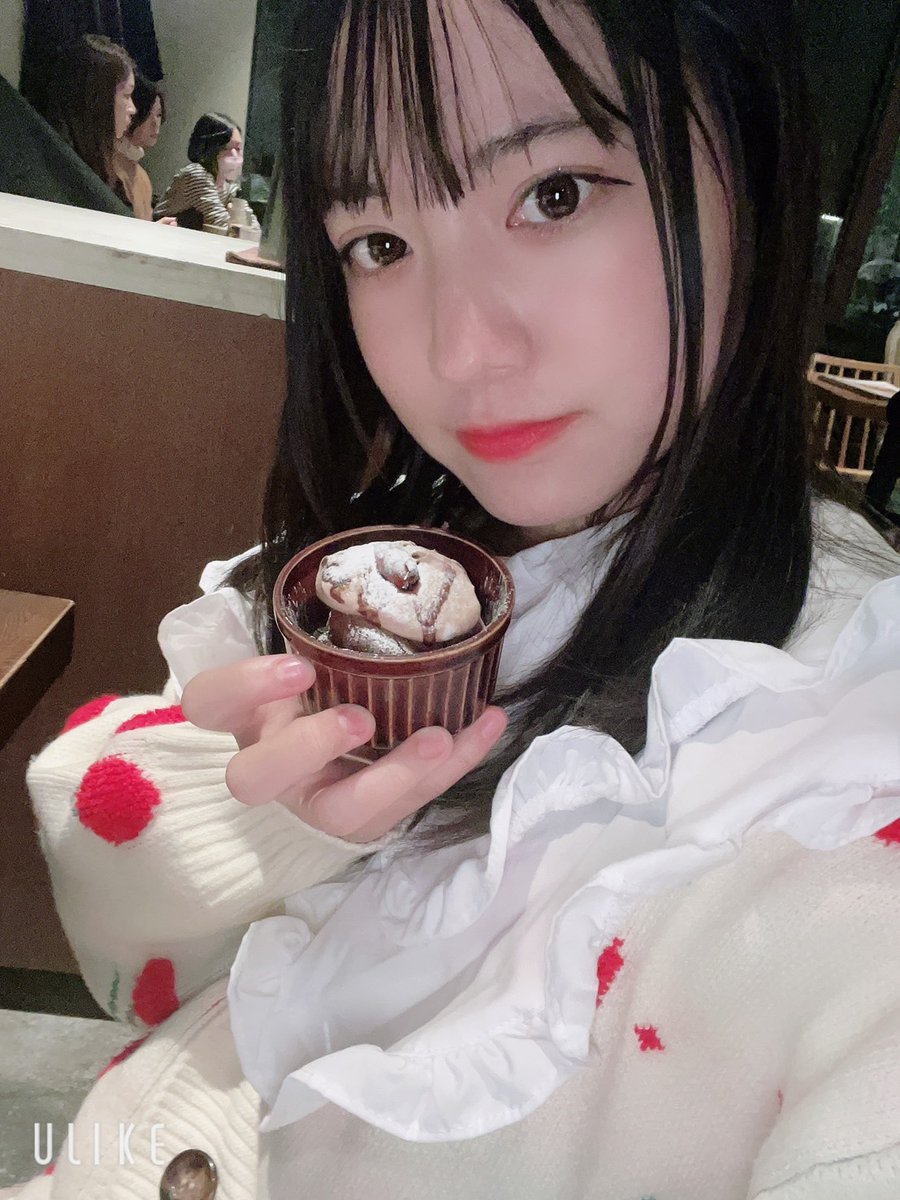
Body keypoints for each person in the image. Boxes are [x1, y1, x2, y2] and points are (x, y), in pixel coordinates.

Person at [9, 0, 900, 1197]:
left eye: (555, 194)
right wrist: (262, 828)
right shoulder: (374, 576)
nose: (458, 351)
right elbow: (131, 969)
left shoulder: (842, 759)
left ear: (756, 163)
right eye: (379, 242)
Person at [42, 34, 136, 201]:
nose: (133, 109)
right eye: (126, 95)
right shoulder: (57, 174)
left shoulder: (105, 161)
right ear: (99, 99)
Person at [153, 112, 259, 232]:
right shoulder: (197, 174)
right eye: (226, 148)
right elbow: (220, 223)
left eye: (238, 148)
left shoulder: (229, 188)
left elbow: (253, 228)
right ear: (209, 148)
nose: (235, 155)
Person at [114, 73, 166, 220]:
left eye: (159, 115)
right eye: (148, 114)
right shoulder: (110, 165)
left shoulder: (141, 175)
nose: (155, 124)